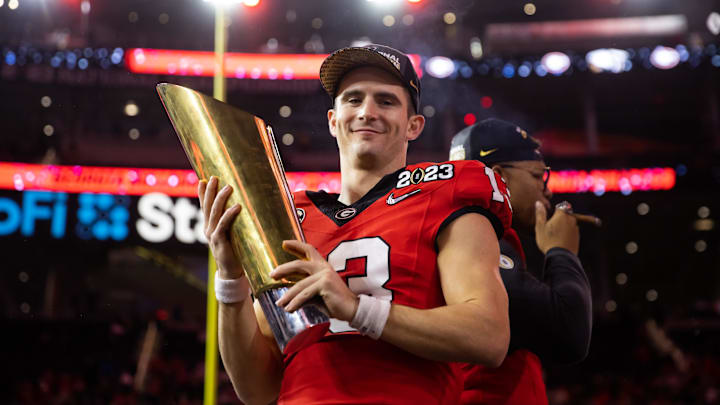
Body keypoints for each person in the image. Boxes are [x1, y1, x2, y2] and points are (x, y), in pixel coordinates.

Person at [198, 44, 514, 405]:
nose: (367, 112)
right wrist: (230, 276)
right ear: (333, 121)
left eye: (386, 101)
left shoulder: (445, 193)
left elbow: (489, 337)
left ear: (414, 126)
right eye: (352, 99)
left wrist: (356, 307)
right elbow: (256, 390)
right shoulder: (292, 218)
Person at [449, 118, 593, 405]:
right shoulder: (480, 239)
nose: (548, 191)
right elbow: (570, 334)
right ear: (499, 177)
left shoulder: (455, 231)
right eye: (539, 176)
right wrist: (561, 251)